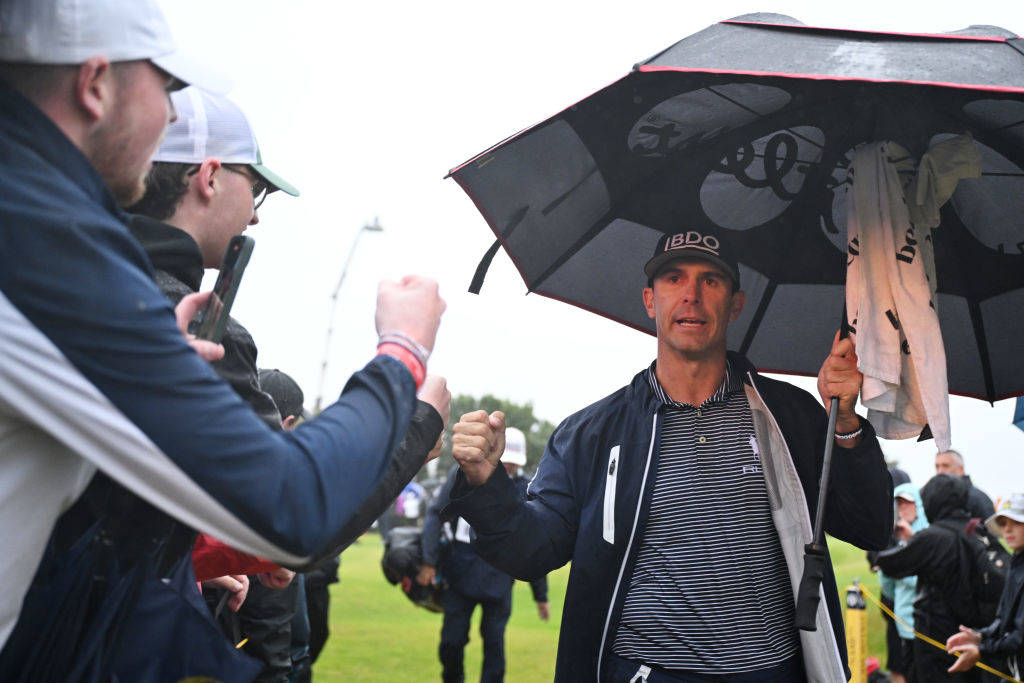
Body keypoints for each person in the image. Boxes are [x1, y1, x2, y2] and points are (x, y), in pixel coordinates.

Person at [0, 0, 445, 676]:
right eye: (168, 86)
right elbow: (293, 507)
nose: (172, 115)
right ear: (95, 85)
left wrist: (153, 370)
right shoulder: (56, 252)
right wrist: (403, 355)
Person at [447, 229, 893, 681]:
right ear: (649, 300)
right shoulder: (592, 433)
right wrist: (486, 482)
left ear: (735, 304)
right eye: (674, 278)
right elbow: (530, 552)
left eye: (711, 280)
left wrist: (844, 424)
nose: (691, 295)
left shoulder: (790, 415)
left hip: (771, 672)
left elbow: (870, 528)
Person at [420, 427, 550, 683]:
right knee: (451, 642)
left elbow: (532, 543)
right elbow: (436, 513)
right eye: (506, 462)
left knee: (494, 645)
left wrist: (540, 596)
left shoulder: (525, 489)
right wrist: (428, 561)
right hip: (459, 573)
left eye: (514, 464)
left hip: (500, 579)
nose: (509, 468)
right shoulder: (463, 474)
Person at [875, 474, 995, 682]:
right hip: (976, 632)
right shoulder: (978, 530)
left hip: (938, 636)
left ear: (930, 502)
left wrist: (907, 542)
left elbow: (889, 563)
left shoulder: (932, 537)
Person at [945, 493, 1024, 679]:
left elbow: (1020, 636)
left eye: (1016, 522)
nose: (1008, 529)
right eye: (1003, 523)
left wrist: (982, 650)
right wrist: (980, 636)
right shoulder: (1016, 563)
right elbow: (1004, 619)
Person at [876, 483, 928, 683]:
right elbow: (887, 581)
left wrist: (910, 541)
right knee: (902, 668)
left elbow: (927, 578)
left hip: (927, 622)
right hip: (901, 620)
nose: (903, 508)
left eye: (908, 503)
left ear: (918, 505)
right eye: (899, 503)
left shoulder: (927, 533)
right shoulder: (893, 533)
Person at [935, 450, 995, 521]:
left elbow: (991, 527)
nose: (940, 471)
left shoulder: (977, 498)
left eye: (945, 466)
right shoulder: (938, 499)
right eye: (937, 467)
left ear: (961, 469)